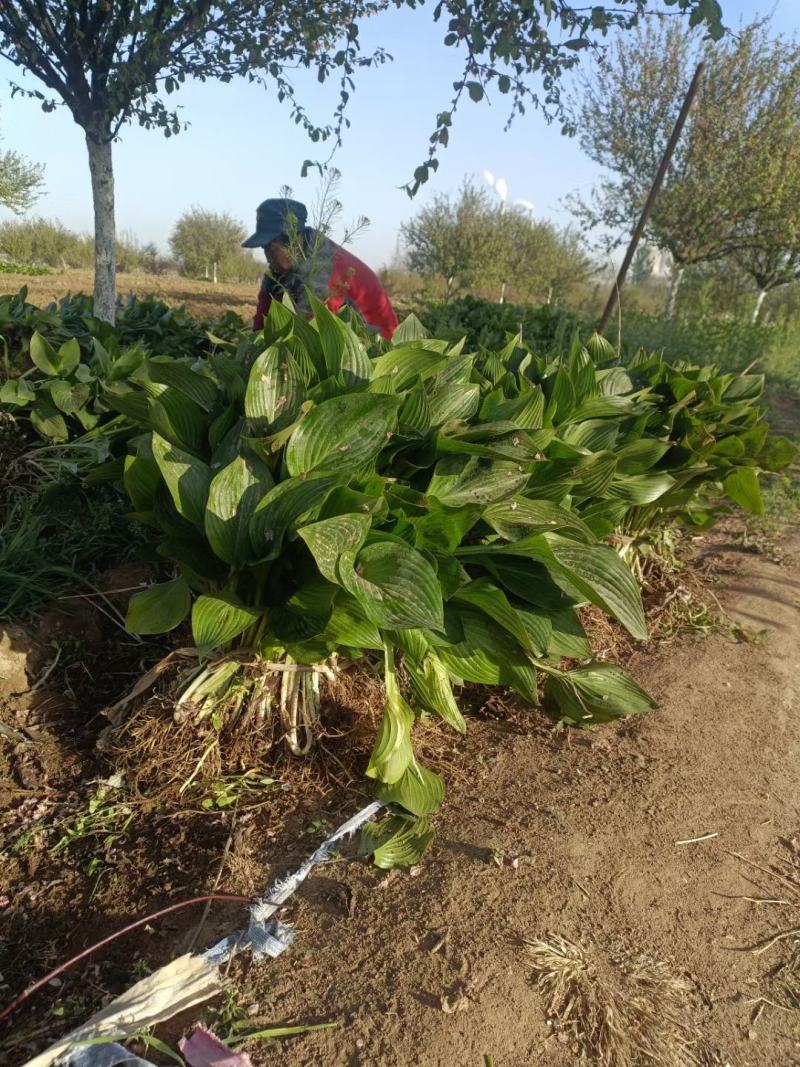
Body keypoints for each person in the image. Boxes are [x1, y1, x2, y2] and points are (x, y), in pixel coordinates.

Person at [242, 197, 398, 340]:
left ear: (293, 243)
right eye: (264, 249)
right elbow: (263, 317)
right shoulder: (279, 269)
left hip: (376, 343)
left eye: (271, 249)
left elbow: (311, 329)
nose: (267, 257)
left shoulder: (327, 268)